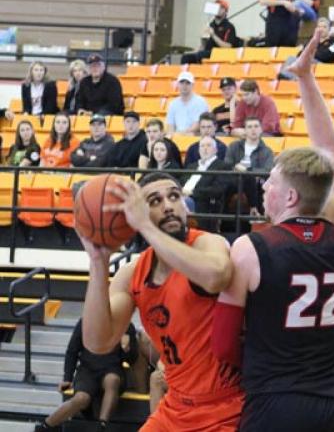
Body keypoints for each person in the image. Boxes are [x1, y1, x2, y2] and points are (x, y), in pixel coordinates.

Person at [212, 29, 334, 432]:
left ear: (292, 198)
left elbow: (223, 345)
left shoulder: (250, 247)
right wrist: (306, 79)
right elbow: (329, 156)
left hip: (276, 402)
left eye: (272, 182)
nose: (264, 186)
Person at [79, 172, 243, 431]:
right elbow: (98, 342)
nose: (167, 206)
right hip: (176, 405)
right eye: (154, 201)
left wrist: (145, 226)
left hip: (226, 406)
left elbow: (216, 276)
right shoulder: (134, 273)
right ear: (135, 214)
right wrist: (98, 264)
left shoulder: (207, 244)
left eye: (174, 197)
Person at [34, 319, 138, 432]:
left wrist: (126, 349)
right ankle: (45, 426)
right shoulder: (86, 321)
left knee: (112, 380)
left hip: (112, 369)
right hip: (88, 370)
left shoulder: (125, 324)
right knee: (81, 398)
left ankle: (102, 425)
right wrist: (67, 378)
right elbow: (72, 350)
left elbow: (132, 359)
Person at [225, 117, 274, 216]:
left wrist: (247, 170)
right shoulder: (234, 146)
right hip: (235, 180)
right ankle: (221, 219)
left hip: (257, 183)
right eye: (250, 127)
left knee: (251, 179)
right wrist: (236, 168)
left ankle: (256, 214)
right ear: (245, 130)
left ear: (261, 130)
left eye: (256, 126)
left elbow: (267, 170)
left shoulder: (267, 151)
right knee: (222, 186)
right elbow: (227, 165)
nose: (253, 129)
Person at [181, 136, 232, 231]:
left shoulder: (222, 166)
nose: (205, 148)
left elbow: (217, 190)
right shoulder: (191, 166)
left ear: (215, 150)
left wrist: (192, 192)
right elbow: (180, 182)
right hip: (182, 197)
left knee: (184, 203)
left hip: (203, 202)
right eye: (202, 146)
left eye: (208, 145)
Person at [181, 0, 239, 64]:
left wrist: (213, 35)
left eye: (221, 7)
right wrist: (203, 41)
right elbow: (202, 48)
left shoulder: (229, 26)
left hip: (219, 54)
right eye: (216, 7)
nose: (218, 9)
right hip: (206, 53)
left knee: (201, 55)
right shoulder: (210, 25)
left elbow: (228, 47)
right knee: (185, 57)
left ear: (225, 11)